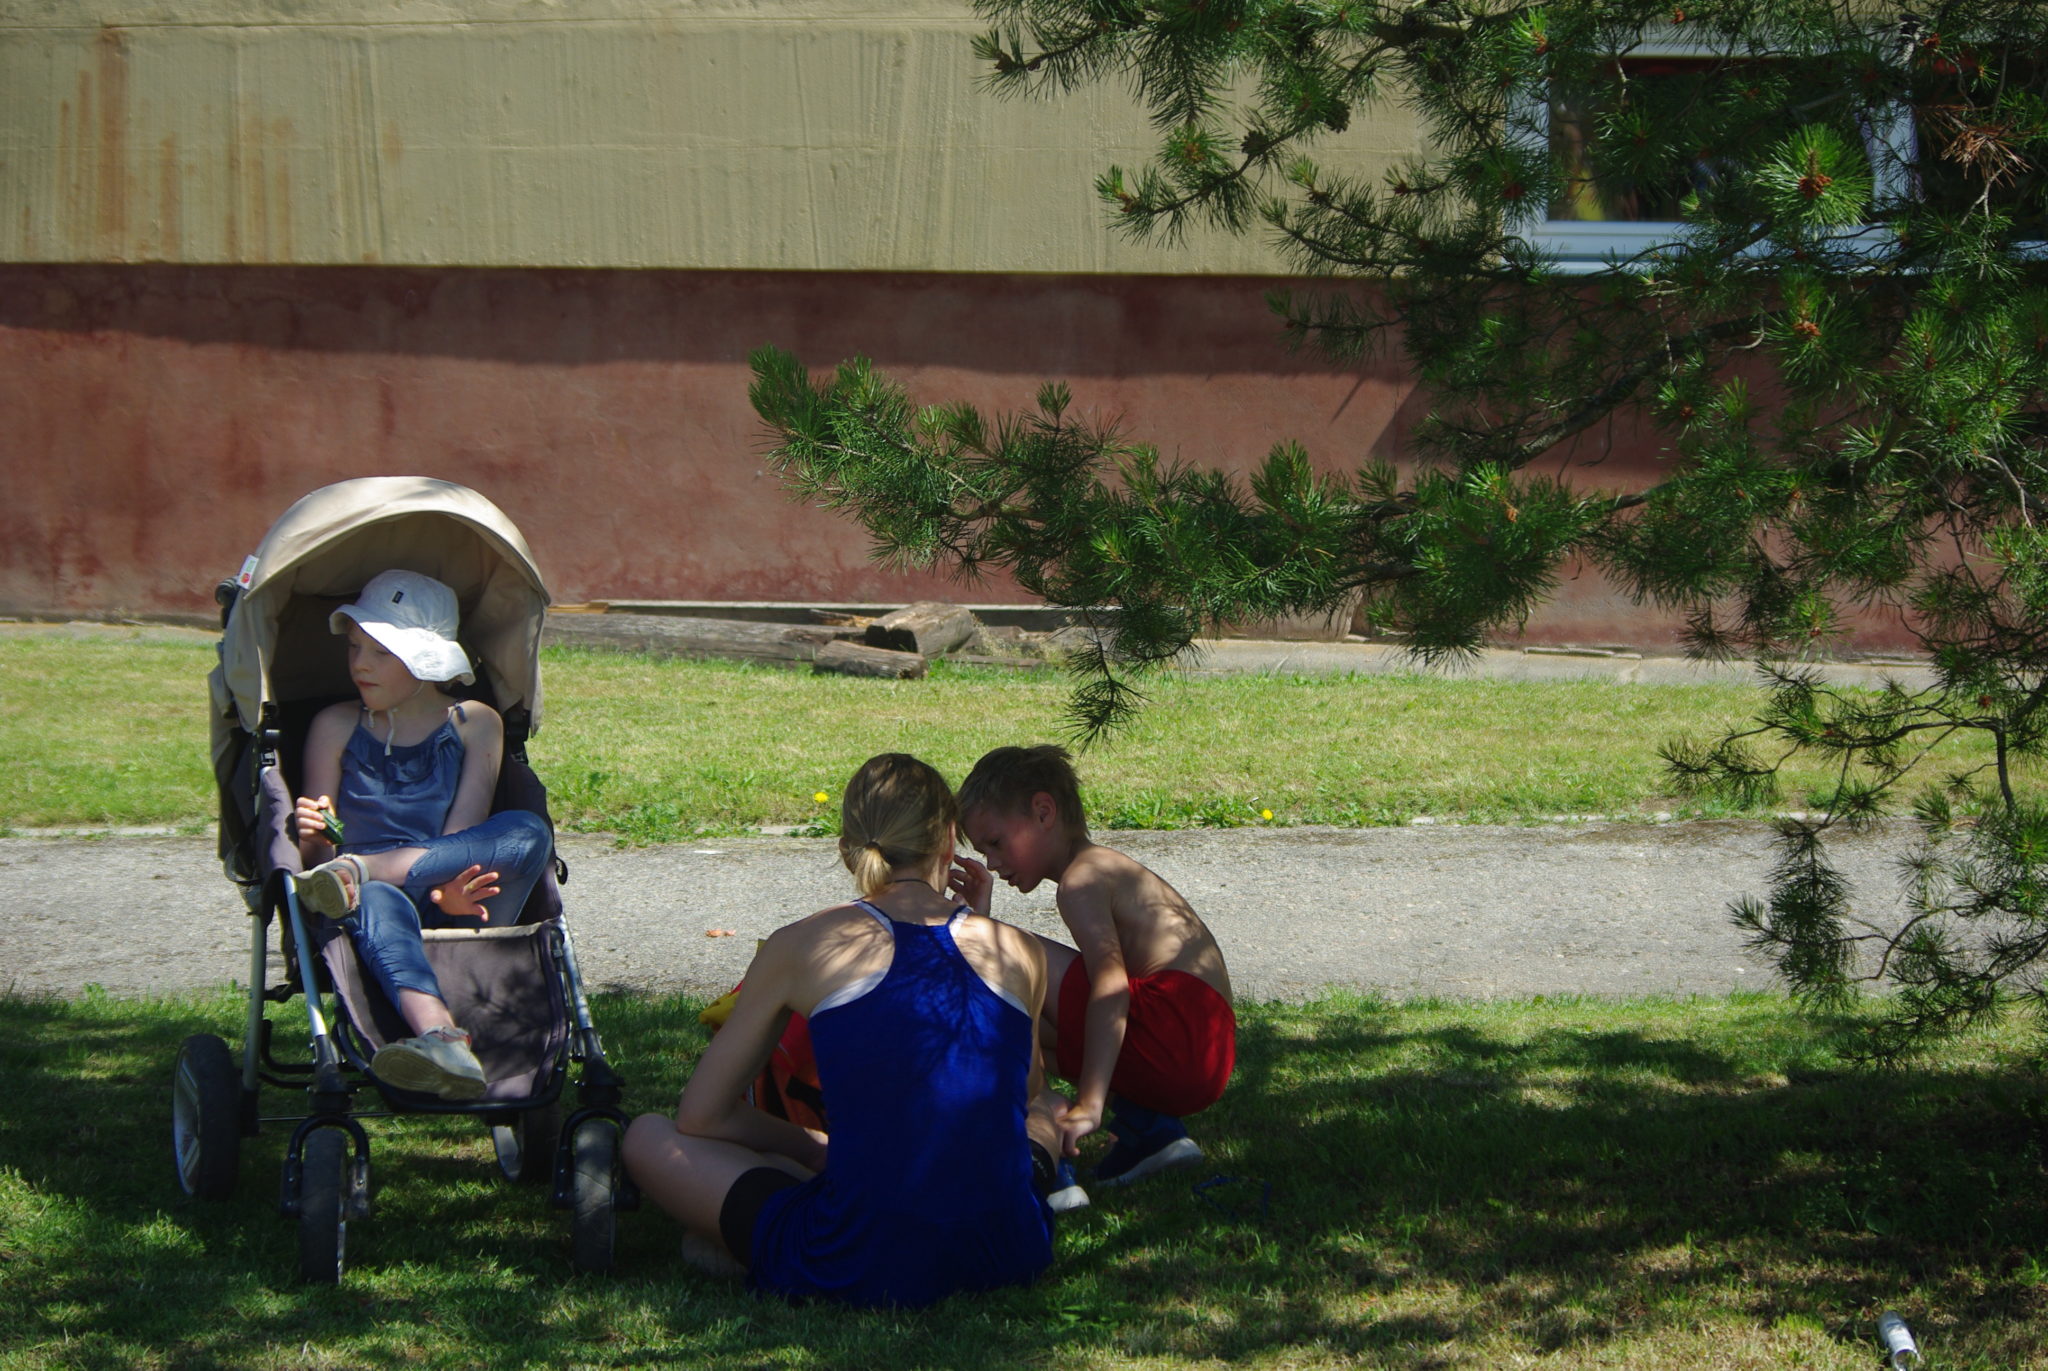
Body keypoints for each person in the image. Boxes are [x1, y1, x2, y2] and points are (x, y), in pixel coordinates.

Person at [622, 753, 1063, 1307]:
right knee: (1048, 1102)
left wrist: (814, 1149)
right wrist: (983, 923)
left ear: (847, 847)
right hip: (1010, 1252)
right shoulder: (1017, 948)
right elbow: (1023, 1091)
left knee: (646, 1135)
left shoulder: (802, 943)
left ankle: (742, 1243)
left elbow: (701, 1115)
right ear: (950, 840)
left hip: (855, 1258)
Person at [290, 569, 553, 1101]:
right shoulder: (335, 725)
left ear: (426, 660)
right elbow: (317, 862)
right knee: (369, 894)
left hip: (457, 889)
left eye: (380, 652)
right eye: (355, 648)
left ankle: (367, 867)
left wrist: (446, 892)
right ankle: (442, 1038)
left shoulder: (474, 722)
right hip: (364, 899)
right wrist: (313, 833)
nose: (359, 664)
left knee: (528, 830)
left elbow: (464, 831)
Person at [956, 744, 1235, 1188]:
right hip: (1205, 1055)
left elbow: (1111, 986)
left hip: (1177, 1034)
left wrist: (1090, 1101)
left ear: (1043, 812)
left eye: (995, 842)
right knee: (1028, 1033)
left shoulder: (1082, 880)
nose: (992, 862)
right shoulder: (1101, 866)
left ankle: (1048, 1146)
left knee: (1007, 953)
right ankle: (1150, 1132)